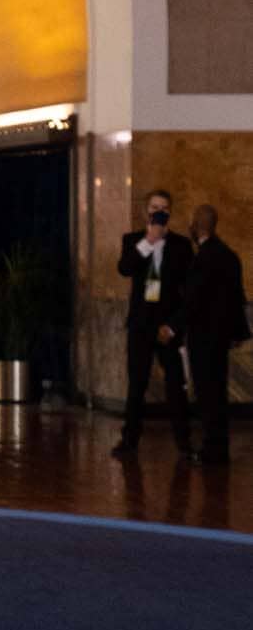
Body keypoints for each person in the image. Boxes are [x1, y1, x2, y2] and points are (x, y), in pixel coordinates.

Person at [112, 187, 193, 458]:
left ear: (170, 212)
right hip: (141, 325)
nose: (159, 212)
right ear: (146, 211)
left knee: (175, 386)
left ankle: (184, 443)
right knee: (137, 384)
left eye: (164, 208)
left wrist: (174, 325)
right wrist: (149, 240)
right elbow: (124, 268)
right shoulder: (133, 239)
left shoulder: (182, 246)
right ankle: (129, 441)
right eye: (154, 207)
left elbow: (189, 291)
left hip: (167, 326)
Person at [182, 205, 249, 468]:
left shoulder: (202, 259)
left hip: (203, 338)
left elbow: (193, 301)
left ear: (198, 226)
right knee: (218, 392)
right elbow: (237, 298)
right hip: (221, 338)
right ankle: (219, 447)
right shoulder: (230, 255)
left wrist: (175, 326)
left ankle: (212, 449)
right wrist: (238, 332)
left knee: (207, 395)